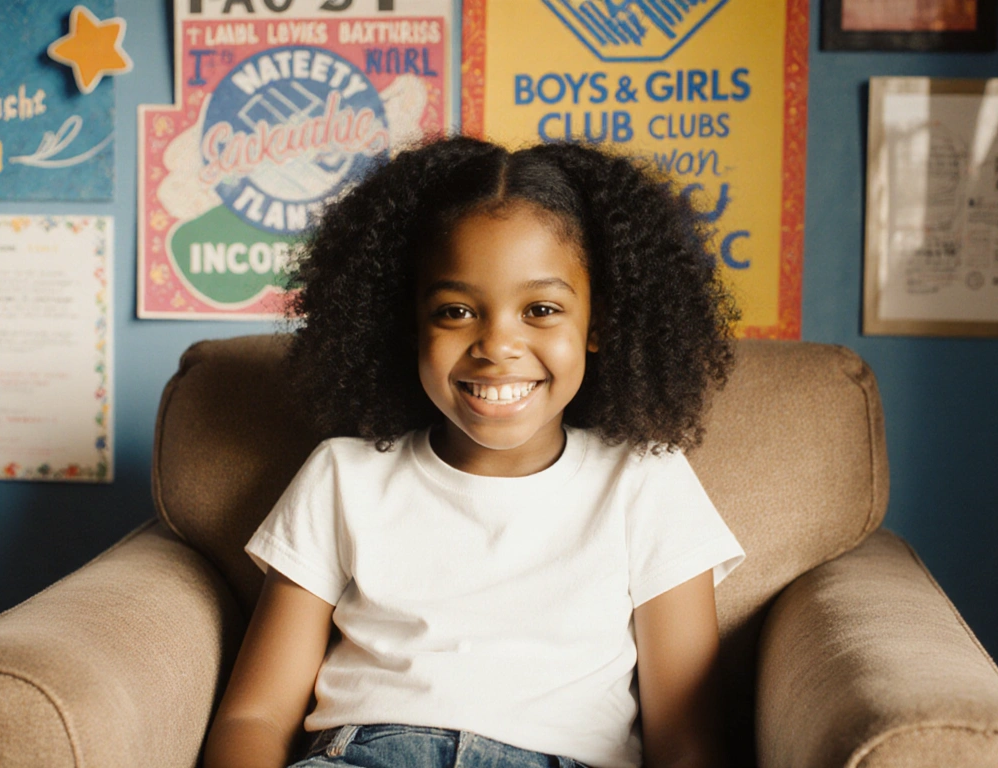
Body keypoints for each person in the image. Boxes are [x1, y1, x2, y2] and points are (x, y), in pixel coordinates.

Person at [204, 136, 746, 768]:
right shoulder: (342, 476)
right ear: (408, 325)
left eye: (541, 309)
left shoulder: (645, 482)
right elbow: (256, 714)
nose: (497, 345)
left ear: (600, 324)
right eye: (457, 311)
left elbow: (687, 738)